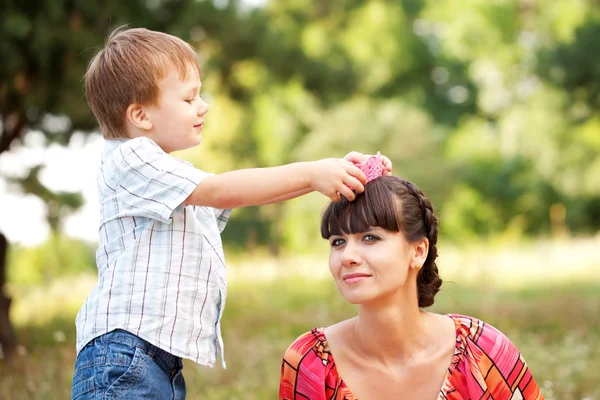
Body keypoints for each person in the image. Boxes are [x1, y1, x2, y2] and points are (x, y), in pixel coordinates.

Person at [71, 27, 392, 400]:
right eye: (190, 98)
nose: (203, 106)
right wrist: (311, 172)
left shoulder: (165, 177)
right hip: (123, 354)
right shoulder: (129, 157)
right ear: (140, 115)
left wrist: (327, 173)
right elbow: (224, 189)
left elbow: (238, 196)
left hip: (151, 358)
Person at [279, 175, 543, 400]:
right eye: (338, 242)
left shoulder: (482, 350)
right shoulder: (311, 362)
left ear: (418, 251)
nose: (348, 256)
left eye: (370, 237)